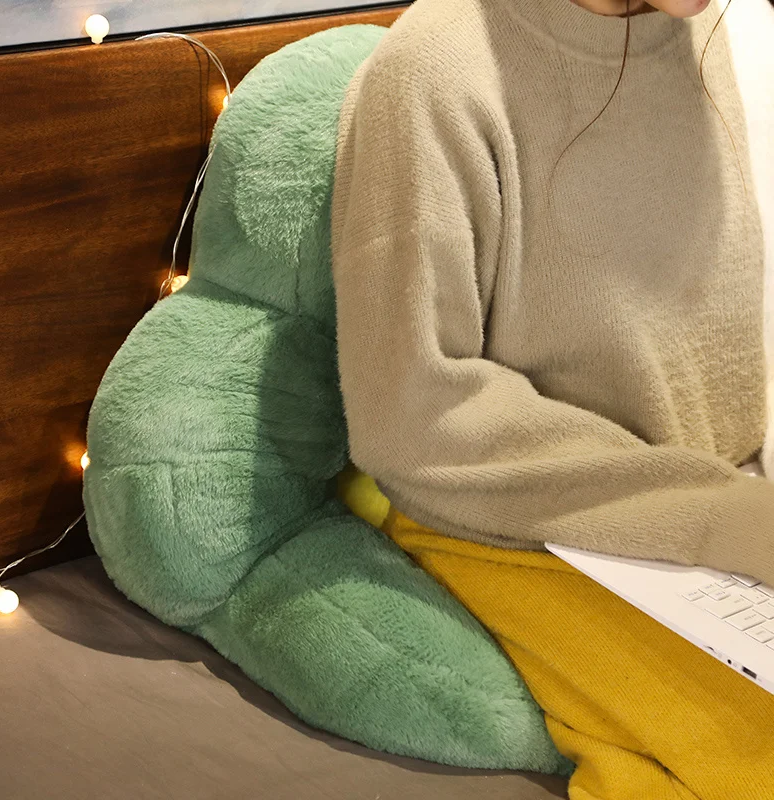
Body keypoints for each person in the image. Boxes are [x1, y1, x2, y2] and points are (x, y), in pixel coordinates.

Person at [331, 0, 774, 797]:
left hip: (713, 520)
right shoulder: (431, 74)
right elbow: (415, 418)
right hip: (513, 523)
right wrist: (727, 522)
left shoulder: (706, 27)